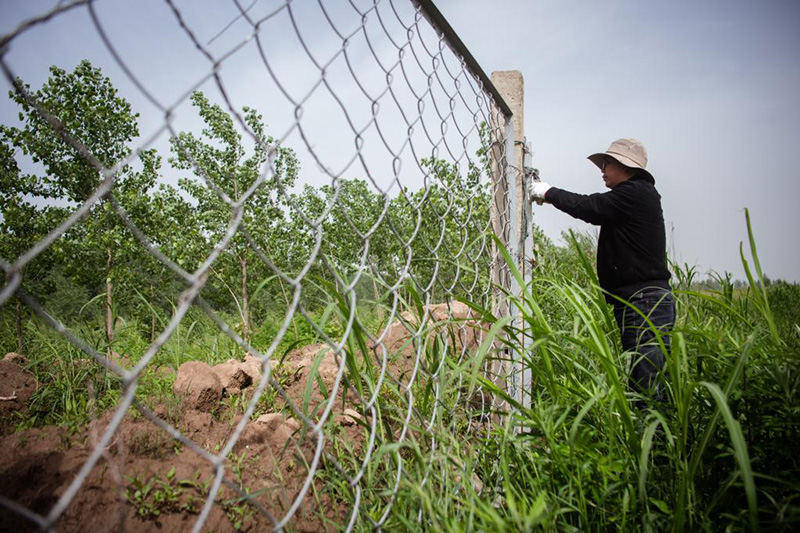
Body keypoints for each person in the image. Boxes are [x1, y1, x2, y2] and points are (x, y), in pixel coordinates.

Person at [529, 138, 674, 408]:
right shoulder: (634, 197)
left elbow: (590, 207)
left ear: (625, 166)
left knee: (646, 383)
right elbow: (594, 208)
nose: (602, 169)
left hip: (645, 303)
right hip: (642, 302)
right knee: (644, 377)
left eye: (607, 163)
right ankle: (653, 443)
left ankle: (655, 446)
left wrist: (547, 192)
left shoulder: (636, 193)